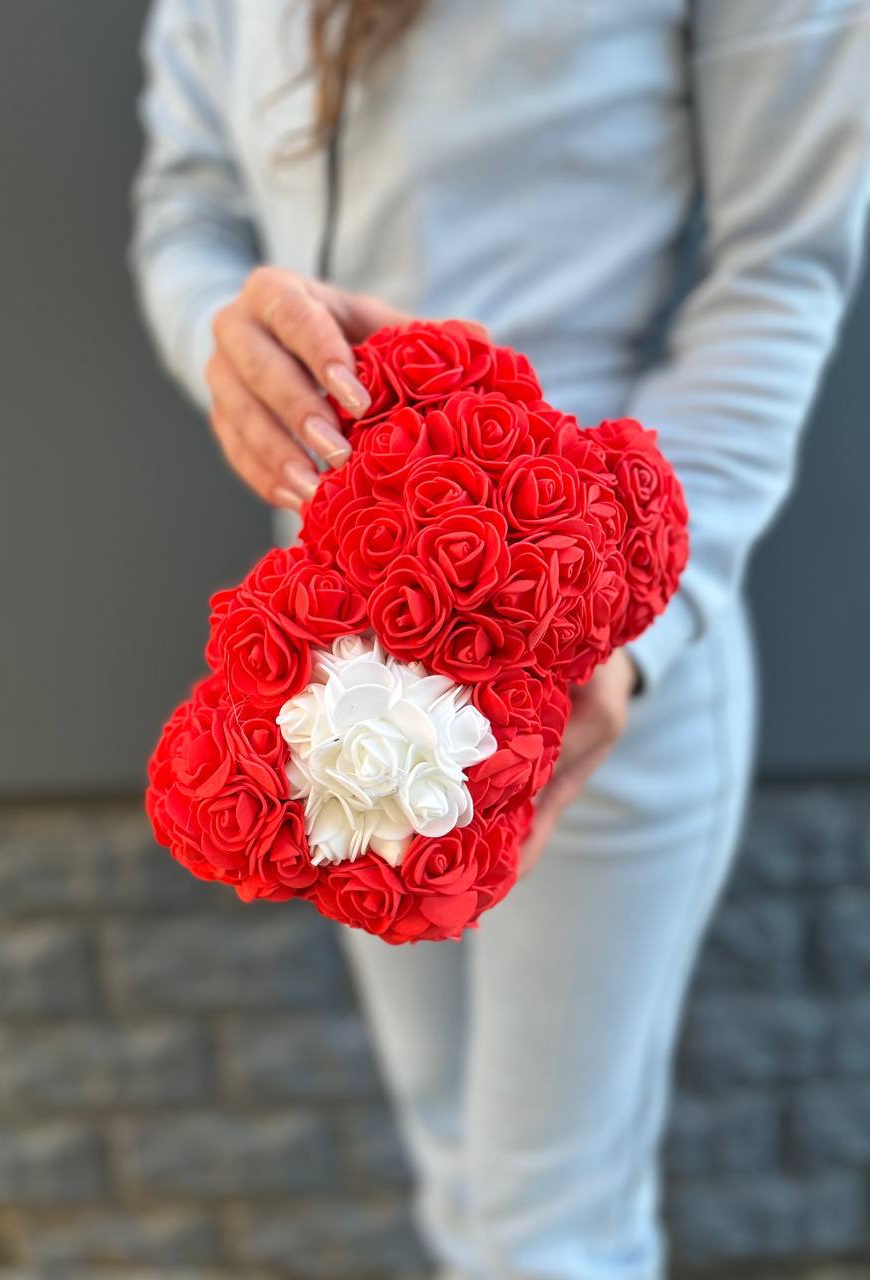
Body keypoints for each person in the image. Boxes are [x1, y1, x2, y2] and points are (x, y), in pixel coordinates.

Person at [130, 3, 870, 1276]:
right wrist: (233, 338)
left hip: (601, 655)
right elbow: (185, 204)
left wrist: (626, 629)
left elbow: (780, 265)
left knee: (549, 1230)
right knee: (455, 1167)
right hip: (339, 670)